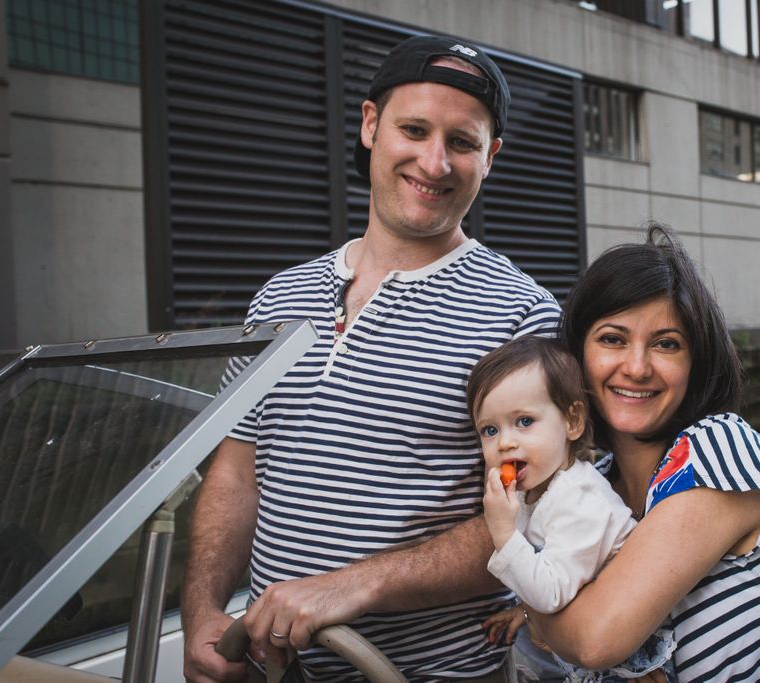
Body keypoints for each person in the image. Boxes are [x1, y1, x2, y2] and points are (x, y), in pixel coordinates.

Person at [181, 34, 561, 683]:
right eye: (414, 130)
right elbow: (237, 474)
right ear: (369, 124)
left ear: (490, 157)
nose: (434, 162)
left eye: (462, 142)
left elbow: (532, 517)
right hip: (270, 667)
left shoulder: (522, 316)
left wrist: (353, 585)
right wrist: (201, 610)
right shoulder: (279, 295)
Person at [522, 224, 760, 682]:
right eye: (612, 339)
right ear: (577, 355)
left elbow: (594, 640)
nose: (636, 367)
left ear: (695, 363)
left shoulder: (720, 450)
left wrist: (534, 605)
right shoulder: (590, 485)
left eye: (666, 344)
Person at [466, 335, 675, 682]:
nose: (505, 442)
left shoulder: (580, 499)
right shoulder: (533, 491)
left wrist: (502, 531)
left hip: (631, 659)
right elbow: (560, 572)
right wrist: (525, 610)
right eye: (490, 430)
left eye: (524, 421)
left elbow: (550, 593)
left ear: (572, 421)